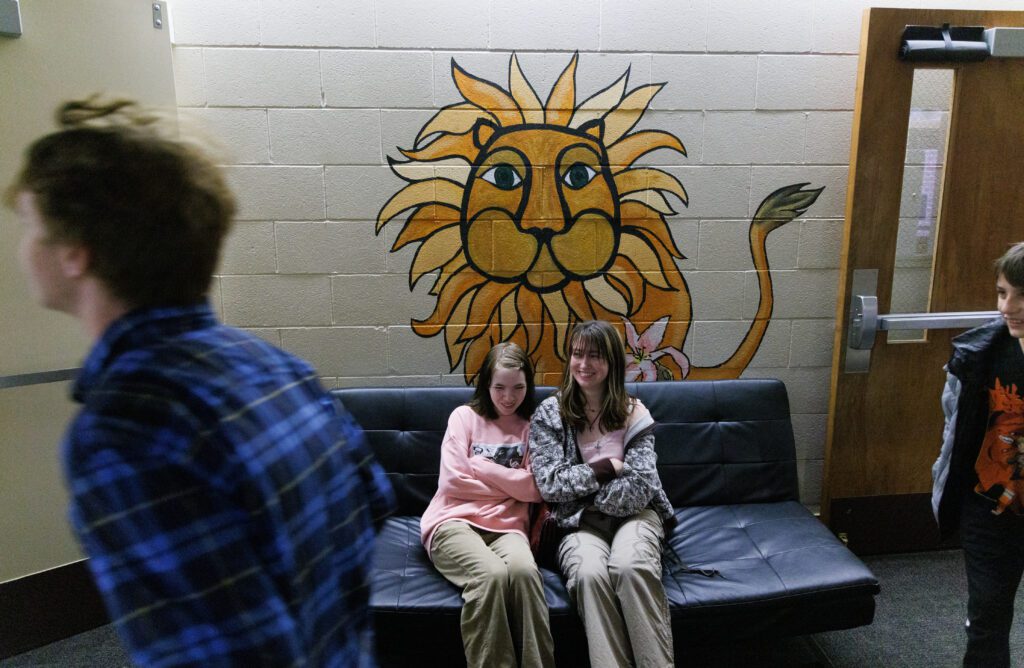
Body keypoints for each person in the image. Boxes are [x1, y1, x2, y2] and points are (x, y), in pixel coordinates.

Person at [7, 97, 395, 667]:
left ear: (74, 254)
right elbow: (372, 503)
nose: (23, 248)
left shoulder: (127, 428)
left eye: (30, 226)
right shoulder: (277, 368)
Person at [529, 320, 675, 668]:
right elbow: (550, 483)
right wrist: (608, 467)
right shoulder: (550, 413)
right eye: (577, 354)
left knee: (631, 566)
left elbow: (641, 486)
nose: (583, 364)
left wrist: (587, 497)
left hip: (634, 516)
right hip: (577, 526)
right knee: (590, 574)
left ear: (611, 362)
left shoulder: (633, 411)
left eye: (594, 356)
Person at [419, 342, 555, 668]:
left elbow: (534, 489)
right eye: (499, 388)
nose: (508, 397)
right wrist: (510, 486)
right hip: (453, 522)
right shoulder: (464, 417)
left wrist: (482, 468)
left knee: (524, 572)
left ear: (528, 386)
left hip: (508, 529)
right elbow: (451, 482)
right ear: (486, 384)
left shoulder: (530, 427)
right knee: (491, 575)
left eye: (518, 388)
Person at [932, 241, 1024, 668]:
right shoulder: (977, 356)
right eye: (1003, 292)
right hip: (991, 507)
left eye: (1022, 296)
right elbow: (955, 433)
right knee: (987, 615)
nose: (1009, 307)